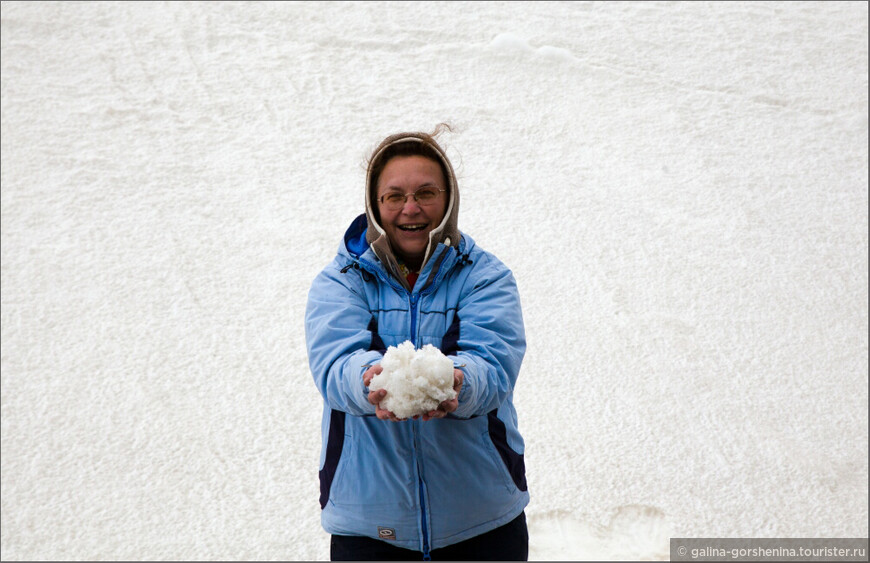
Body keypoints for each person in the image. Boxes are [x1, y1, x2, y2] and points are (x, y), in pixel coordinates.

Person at [305, 125, 529, 561]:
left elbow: (494, 363)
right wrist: (368, 381)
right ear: (375, 204)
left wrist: (459, 382)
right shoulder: (340, 281)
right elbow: (335, 365)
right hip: (368, 525)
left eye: (426, 193)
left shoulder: (485, 277)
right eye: (394, 196)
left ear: (448, 200)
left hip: (482, 520)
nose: (411, 208)